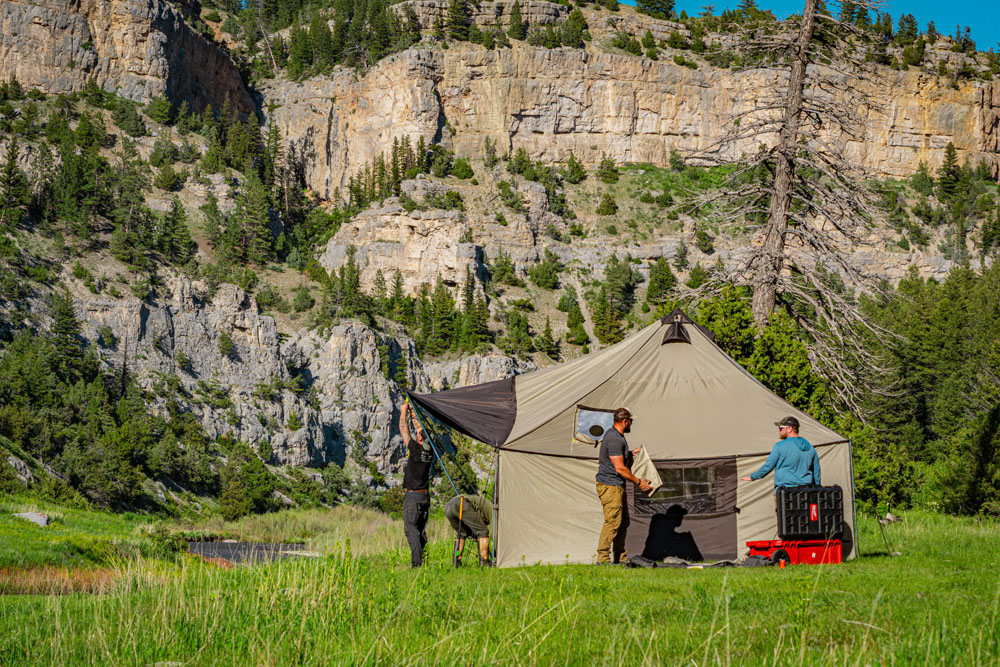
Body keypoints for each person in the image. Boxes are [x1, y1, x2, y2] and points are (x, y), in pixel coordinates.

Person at [595, 407, 652, 564]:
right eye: (631, 421)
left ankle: (620, 557)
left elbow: (616, 458)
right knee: (613, 521)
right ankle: (602, 558)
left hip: (616, 486)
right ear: (625, 421)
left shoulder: (617, 436)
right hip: (610, 486)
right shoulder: (615, 439)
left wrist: (629, 454)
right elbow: (619, 468)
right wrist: (639, 482)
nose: (632, 424)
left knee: (623, 521)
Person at [740, 416, 821, 490]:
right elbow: (816, 473)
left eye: (781, 428)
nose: (779, 430)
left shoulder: (779, 446)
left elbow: (768, 467)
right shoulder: (810, 448)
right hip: (806, 491)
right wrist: (817, 489)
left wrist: (752, 477)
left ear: (789, 429)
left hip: (785, 491)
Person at [400, 403, 432, 567]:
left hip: (413, 497)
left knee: (411, 530)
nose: (418, 432)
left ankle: (417, 564)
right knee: (420, 529)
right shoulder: (429, 451)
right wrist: (413, 412)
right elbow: (419, 428)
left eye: (419, 434)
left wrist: (403, 412)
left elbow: (403, 430)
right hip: (425, 496)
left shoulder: (415, 450)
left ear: (420, 439)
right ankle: (424, 561)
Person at [445, 494, 492, 567]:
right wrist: (497, 553)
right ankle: (484, 562)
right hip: (462, 503)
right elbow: (496, 532)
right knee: (483, 531)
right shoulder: (494, 511)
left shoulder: (485, 505)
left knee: (461, 534)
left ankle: (456, 561)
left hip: (448, 507)